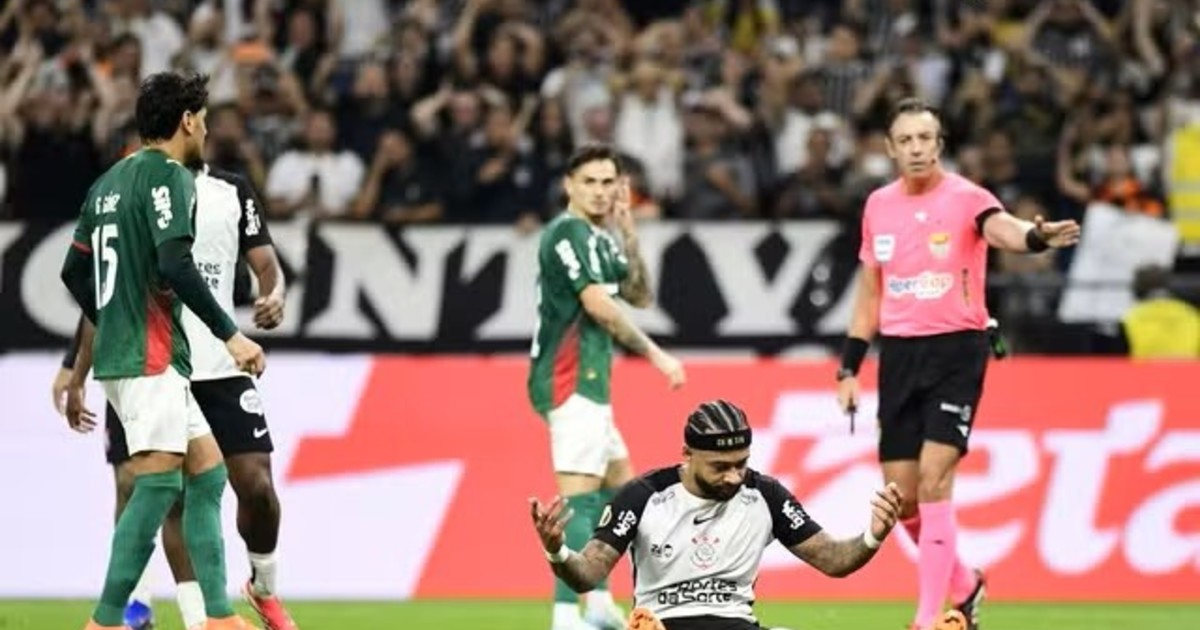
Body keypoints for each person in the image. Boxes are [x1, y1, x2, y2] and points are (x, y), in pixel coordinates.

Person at [835, 98, 1081, 630]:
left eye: (925, 138)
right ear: (890, 148)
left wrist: (1035, 236)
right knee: (902, 500)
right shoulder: (878, 206)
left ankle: (928, 618)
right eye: (906, 140)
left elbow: (1003, 229)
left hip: (956, 350)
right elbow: (869, 294)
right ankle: (965, 586)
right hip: (899, 354)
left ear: (940, 144)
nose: (916, 148)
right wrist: (849, 368)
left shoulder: (967, 197)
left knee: (934, 478)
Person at [58, 71, 264, 630]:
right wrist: (231, 334)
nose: (206, 131)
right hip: (149, 355)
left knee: (208, 471)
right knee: (157, 482)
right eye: (204, 120)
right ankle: (105, 621)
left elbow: (74, 271)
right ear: (187, 121)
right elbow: (176, 263)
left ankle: (217, 617)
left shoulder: (108, 182)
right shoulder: (170, 177)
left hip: (136, 353)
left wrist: (113, 313)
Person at [528, 399, 925, 630]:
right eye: (720, 466)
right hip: (665, 622)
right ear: (687, 454)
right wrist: (557, 550)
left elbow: (834, 560)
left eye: (741, 463)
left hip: (735, 623)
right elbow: (588, 574)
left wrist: (873, 535)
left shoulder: (763, 494)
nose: (734, 476)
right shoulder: (644, 495)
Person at [527, 143, 687, 630]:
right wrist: (657, 355)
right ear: (569, 186)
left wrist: (628, 230)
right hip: (568, 378)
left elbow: (640, 293)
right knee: (578, 498)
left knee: (623, 492)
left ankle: (597, 604)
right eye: (589, 181)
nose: (599, 191)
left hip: (592, 383)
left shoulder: (600, 239)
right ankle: (564, 615)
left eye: (607, 182)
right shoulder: (567, 233)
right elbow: (599, 306)